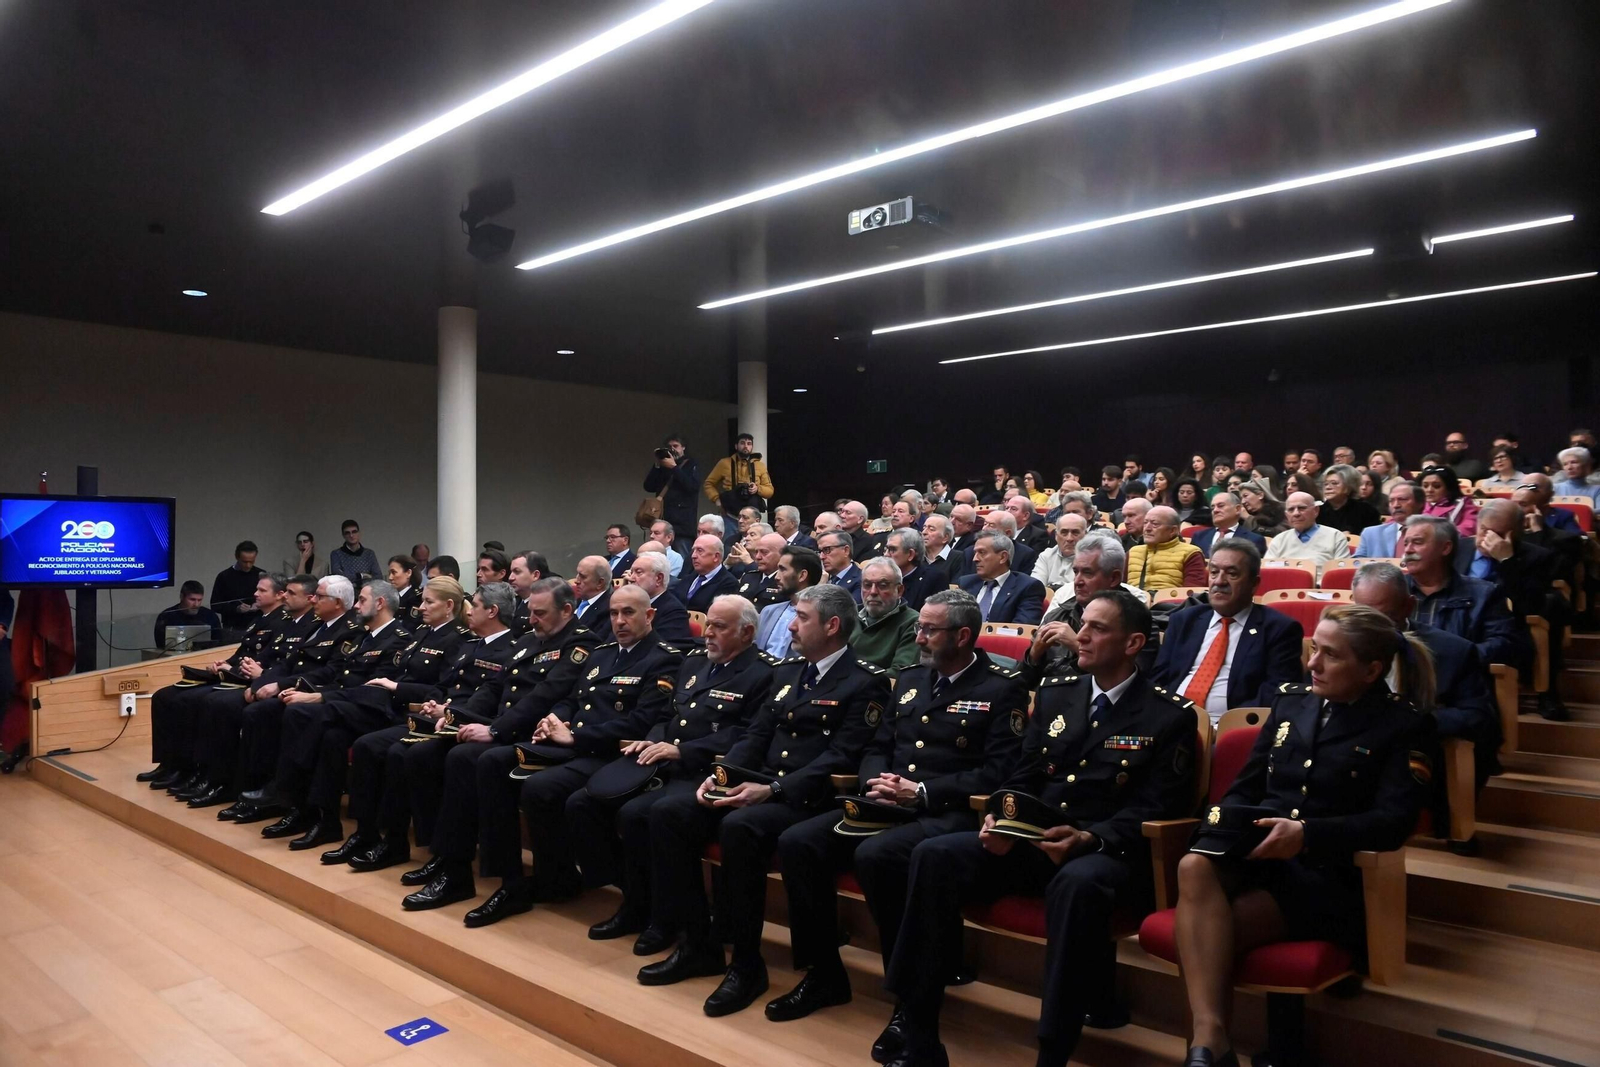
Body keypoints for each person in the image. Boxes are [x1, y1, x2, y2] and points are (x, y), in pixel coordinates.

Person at [881, 590, 1196, 1067]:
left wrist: (1091, 838)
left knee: (1076, 882)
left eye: (1097, 628)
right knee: (934, 855)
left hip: (1109, 856)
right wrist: (1003, 819)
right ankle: (919, 1024)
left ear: (1134, 643)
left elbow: (1158, 807)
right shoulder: (1058, 692)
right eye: (1082, 623)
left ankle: (1053, 1049)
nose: (1081, 635)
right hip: (1035, 842)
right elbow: (1024, 774)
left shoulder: (1168, 715)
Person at [1174, 604, 1436, 1067]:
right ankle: (1211, 1038)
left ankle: (1209, 1044)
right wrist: (1223, 832)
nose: (1312, 664)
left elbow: (1394, 822)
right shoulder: (1293, 702)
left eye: (1330, 656)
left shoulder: (1404, 723)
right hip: (1262, 856)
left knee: (1204, 936)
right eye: (1314, 650)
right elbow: (1246, 786)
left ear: (1372, 670)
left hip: (1328, 876)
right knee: (1194, 863)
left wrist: (1308, 834)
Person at [769, 590, 1029, 1024]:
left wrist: (923, 790)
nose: (919, 637)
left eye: (929, 630)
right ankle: (824, 974)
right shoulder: (909, 680)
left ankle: (910, 995)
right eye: (919, 628)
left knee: (879, 856)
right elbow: (878, 744)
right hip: (888, 802)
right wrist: (877, 779)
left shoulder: (1002, 689)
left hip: (949, 811)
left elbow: (1000, 771)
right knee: (799, 842)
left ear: (963, 636)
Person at [639, 584, 891, 1017]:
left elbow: (841, 756)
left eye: (803, 617)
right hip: (761, 784)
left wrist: (772, 790)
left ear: (832, 626)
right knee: (669, 812)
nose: (791, 625)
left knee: (741, 828)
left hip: (810, 796)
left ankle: (747, 964)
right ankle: (698, 944)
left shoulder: (864, 681)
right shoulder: (789, 671)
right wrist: (723, 776)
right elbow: (756, 734)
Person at [421, 583, 669, 925]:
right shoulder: (604, 652)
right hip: (566, 740)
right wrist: (554, 720)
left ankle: (533, 879)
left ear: (650, 615)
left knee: (509, 771)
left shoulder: (662, 657)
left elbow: (641, 721)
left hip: (606, 751)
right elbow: (571, 697)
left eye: (628, 613)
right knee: (467, 757)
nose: (619, 621)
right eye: (613, 613)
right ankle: (495, 875)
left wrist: (571, 734)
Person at [572, 595, 778, 947]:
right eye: (708, 624)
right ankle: (640, 903)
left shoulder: (764, 672)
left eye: (719, 627)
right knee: (588, 803)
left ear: (746, 633)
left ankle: (671, 919)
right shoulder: (695, 661)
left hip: (707, 770)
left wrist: (682, 750)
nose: (707, 633)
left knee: (645, 815)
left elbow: (745, 734)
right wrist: (649, 740)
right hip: (667, 760)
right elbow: (667, 715)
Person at [336, 580, 517, 874]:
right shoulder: (472, 644)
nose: (469, 611)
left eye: (478, 606)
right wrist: (434, 704)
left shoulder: (509, 650)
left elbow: (488, 698)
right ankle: (378, 836)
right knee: (370, 746)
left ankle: (434, 849)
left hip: (466, 724)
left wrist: (449, 711)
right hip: (438, 718)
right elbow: (443, 685)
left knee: (408, 754)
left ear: (493, 611)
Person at [247, 579, 417, 844]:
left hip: (373, 711)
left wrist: (319, 697)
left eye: (362, 600)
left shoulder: (399, 640)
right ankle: (322, 819)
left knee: (299, 713)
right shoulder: (361, 635)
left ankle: (283, 789)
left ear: (380, 603)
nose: (356, 606)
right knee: (331, 738)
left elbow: (373, 692)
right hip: (346, 706)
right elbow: (339, 675)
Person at [207, 576, 365, 821]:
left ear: (337, 603)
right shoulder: (317, 625)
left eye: (320, 596)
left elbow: (330, 672)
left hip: (310, 690)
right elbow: (289, 662)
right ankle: (248, 787)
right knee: (250, 708)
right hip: (291, 686)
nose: (315, 600)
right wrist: (261, 683)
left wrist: (280, 685)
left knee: (260, 713)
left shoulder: (349, 631)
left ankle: (272, 791)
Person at [139, 574, 300, 789]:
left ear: (279, 595)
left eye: (262, 590)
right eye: (257, 589)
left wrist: (232, 668)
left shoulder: (284, 622)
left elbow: (265, 661)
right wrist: (222, 663)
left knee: (199, 701)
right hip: (236, 675)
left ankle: (200, 770)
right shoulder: (258, 620)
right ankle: (169, 763)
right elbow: (241, 653)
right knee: (164, 696)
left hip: (249, 680)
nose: (255, 594)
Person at [1352, 562, 1500, 789]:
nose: (1373, 626)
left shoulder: (1453, 652)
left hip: (1417, 758)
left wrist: (1415, 721)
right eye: (1363, 615)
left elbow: (1478, 718)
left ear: (1408, 606)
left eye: (1383, 616)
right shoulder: (1337, 646)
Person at [1152, 540, 1304, 723]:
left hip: (1232, 728)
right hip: (1171, 722)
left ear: (1254, 584)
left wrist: (1228, 726)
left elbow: (1275, 693)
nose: (1219, 581)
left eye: (1231, 574)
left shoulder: (1279, 629)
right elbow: (1158, 680)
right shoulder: (1184, 620)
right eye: (1214, 572)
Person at [1456, 499, 1567, 720]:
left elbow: (1528, 607)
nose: (1489, 539)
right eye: (1484, 530)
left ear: (1515, 532)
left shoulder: (1537, 556)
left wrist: (1506, 560)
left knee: (1553, 607)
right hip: (1457, 620)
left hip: (1504, 627)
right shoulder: (1458, 548)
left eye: (1497, 533)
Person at [1401, 515, 1529, 674]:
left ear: (1445, 548)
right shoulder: (1393, 590)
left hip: (1459, 685)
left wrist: (1457, 658)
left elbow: (1503, 644)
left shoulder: (1484, 593)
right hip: (1401, 683)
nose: (1408, 550)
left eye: (1417, 542)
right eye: (1406, 543)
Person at [849, 558, 920, 675]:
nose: (873, 592)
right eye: (867, 585)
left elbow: (900, 673)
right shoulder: (849, 615)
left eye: (882, 585)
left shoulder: (913, 622)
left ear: (899, 590)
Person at [958, 531, 1045, 625]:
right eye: (975, 553)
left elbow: (1021, 629)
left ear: (1003, 557)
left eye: (982, 552)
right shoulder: (966, 583)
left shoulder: (1027, 587)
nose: (975, 559)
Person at [1263, 492, 1351, 579]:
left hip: (1320, 590)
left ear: (1316, 511)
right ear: (1286, 515)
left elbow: (1340, 574)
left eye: (1301, 508)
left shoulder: (1336, 537)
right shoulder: (1278, 540)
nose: (1296, 513)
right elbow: (1268, 573)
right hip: (1285, 589)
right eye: (1291, 510)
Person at [755, 546, 823, 659]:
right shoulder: (768, 612)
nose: (776, 577)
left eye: (783, 569)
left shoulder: (820, 616)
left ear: (802, 575)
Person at [644, 434, 702, 555]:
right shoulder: (662, 467)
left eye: (676, 446)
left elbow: (692, 487)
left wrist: (674, 467)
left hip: (682, 526)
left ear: (683, 448)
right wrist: (657, 465)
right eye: (669, 447)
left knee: (682, 557)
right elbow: (648, 486)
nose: (672, 449)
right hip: (662, 521)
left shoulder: (691, 463)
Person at [1127, 506, 1207, 592]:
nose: (1147, 528)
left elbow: (1191, 594)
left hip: (1172, 604)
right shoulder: (1133, 552)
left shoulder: (1191, 553)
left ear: (1173, 530)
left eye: (1155, 524)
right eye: (1145, 523)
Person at [702, 432, 773, 520]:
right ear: (736, 446)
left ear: (752, 447)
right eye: (742, 443)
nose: (746, 446)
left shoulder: (760, 465)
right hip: (730, 513)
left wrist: (757, 489)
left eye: (749, 444)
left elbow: (770, 491)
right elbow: (708, 484)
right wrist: (716, 499)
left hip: (752, 516)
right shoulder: (724, 463)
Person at [627, 552, 692, 644]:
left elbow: (661, 653)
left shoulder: (674, 612)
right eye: (631, 572)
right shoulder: (627, 604)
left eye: (638, 572)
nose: (631, 578)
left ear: (658, 578)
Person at [1355, 481, 1423, 558]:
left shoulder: (1435, 533)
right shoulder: (1371, 534)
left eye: (1402, 499)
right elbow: (1355, 565)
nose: (1396, 505)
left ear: (1420, 503)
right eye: (1391, 501)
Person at [672, 535, 739, 614]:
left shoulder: (728, 583)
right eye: (693, 551)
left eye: (700, 550)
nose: (693, 556)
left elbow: (714, 615)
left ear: (716, 557)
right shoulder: (688, 578)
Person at [210, 540, 266, 633]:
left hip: (258, 624)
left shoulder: (261, 575)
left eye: (251, 562)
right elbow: (215, 605)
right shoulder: (224, 576)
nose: (248, 565)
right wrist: (236, 608)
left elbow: (272, 600)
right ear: (237, 557)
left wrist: (260, 605)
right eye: (244, 562)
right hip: (232, 627)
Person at [1192, 494, 1266, 557]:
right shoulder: (1199, 537)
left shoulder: (1254, 540)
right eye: (1212, 507)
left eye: (1220, 506)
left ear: (1237, 509)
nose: (1215, 510)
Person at [153, 581, 222, 648]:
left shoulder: (210, 616)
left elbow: (218, 642)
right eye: (192, 599)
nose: (196, 604)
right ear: (182, 597)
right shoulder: (166, 616)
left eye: (199, 600)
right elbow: (160, 645)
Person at [1317, 464, 1381, 534]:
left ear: (1349, 486)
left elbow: (1374, 539)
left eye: (1334, 483)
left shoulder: (1367, 511)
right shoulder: (1316, 512)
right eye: (1325, 484)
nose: (1328, 487)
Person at [886, 528, 939, 611]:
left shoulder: (933, 579)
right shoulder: (883, 576)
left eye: (892, 550)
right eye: (886, 549)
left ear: (910, 554)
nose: (886, 555)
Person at [1033, 512, 1086, 593]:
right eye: (1064, 532)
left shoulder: (1093, 560)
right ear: (1056, 536)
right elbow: (1035, 587)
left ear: (1085, 535)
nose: (1069, 538)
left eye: (1075, 532)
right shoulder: (1046, 556)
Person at [1419, 465, 1479, 536]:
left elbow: (1469, 526)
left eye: (1436, 486)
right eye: (1425, 486)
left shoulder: (1463, 503)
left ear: (1449, 488)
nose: (1429, 490)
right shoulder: (1418, 504)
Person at [735, 532, 788, 607]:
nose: (758, 557)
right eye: (757, 552)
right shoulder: (748, 577)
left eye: (764, 552)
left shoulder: (787, 581)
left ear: (782, 554)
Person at [571, 555, 616, 641]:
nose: (576, 581)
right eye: (577, 574)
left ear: (600, 583)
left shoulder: (610, 609)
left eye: (583, 577)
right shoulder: (573, 603)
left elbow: (595, 642)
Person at [329, 520, 380, 585]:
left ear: (359, 533)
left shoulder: (369, 554)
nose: (351, 535)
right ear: (343, 535)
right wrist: (361, 576)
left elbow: (378, 577)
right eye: (347, 533)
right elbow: (339, 577)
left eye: (354, 532)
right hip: (345, 593)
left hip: (367, 592)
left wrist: (353, 580)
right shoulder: (336, 554)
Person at [818, 531, 862, 605]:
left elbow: (847, 611)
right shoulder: (821, 578)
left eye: (827, 550)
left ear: (846, 550)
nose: (821, 557)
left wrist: (820, 589)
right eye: (820, 551)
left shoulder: (861, 580)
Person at [387, 555, 422, 619]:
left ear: (408, 573)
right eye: (389, 573)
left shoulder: (417, 598)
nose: (390, 578)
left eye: (394, 572)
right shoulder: (389, 597)